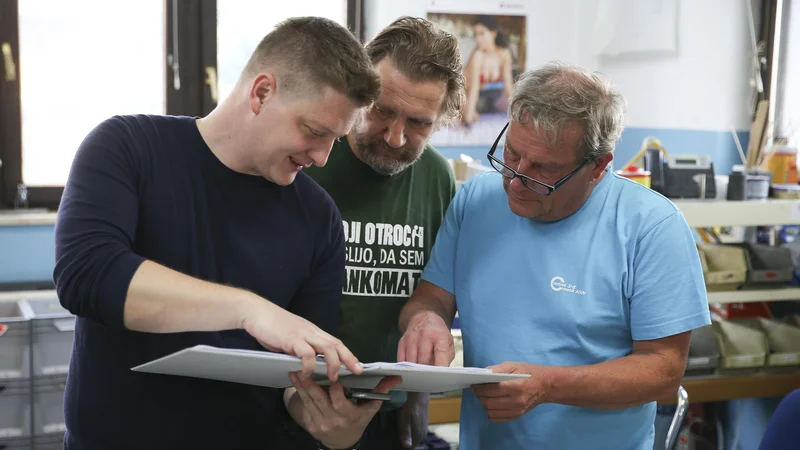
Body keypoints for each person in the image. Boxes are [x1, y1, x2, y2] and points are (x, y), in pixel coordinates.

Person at [53, 17, 395, 450]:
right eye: (313, 132)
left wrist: (332, 425)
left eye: (336, 140)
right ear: (262, 92)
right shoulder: (126, 147)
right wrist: (247, 309)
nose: (323, 158)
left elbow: (299, 377)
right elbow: (87, 275)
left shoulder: (318, 216)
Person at [397, 61, 712, 449]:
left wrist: (548, 386)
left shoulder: (652, 228)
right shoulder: (477, 199)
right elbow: (432, 298)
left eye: (542, 169)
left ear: (598, 166)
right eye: (511, 154)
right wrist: (426, 321)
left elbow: (663, 370)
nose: (514, 179)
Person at [303, 16, 466, 450]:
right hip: (296, 399)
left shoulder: (436, 176)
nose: (396, 138)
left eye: (419, 123)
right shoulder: (309, 156)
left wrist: (415, 400)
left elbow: (434, 293)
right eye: (383, 111)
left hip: (386, 411)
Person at [463, 15, 514, 125]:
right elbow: (473, 88)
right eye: (476, 34)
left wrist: (518, 114)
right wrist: (467, 120)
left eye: (482, 33)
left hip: (486, 101)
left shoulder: (504, 54)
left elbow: (508, 87)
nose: (478, 39)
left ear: (493, 33)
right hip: (462, 98)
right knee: (471, 119)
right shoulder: (478, 55)